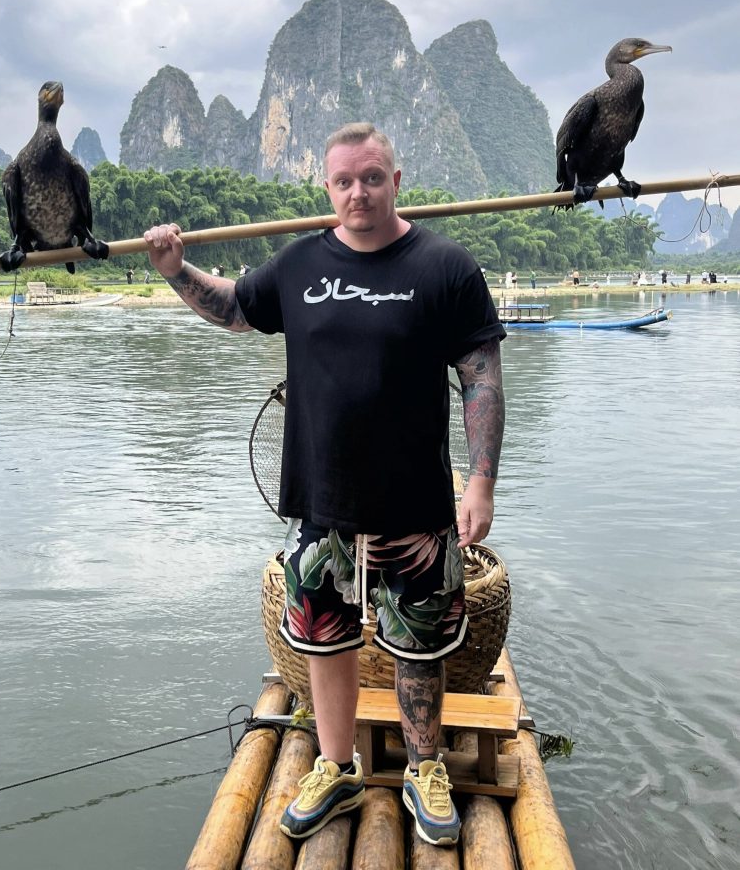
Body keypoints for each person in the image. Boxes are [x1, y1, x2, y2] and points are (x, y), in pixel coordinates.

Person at [144, 123, 506, 848]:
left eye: (371, 177)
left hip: (416, 502)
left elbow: (481, 379)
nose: (357, 192)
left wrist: (481, 484)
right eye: (342, 181)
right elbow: (236, 308)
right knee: (325, 640)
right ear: (326, 188)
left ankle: (424, 767)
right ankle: (336, 767)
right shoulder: (300, 263)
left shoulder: (444, 267)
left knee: (420, 646)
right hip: (322, 498)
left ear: (395, 181)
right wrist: (175, 270)